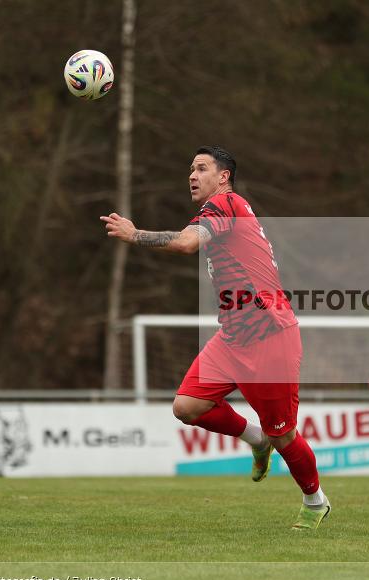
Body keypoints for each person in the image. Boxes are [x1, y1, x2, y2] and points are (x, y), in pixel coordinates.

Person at [100, 146, 330, 530]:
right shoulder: (220, 210)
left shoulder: (226, 203)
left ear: (223, 177)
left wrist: (134, 233)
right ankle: (256, 439)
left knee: (285, 435)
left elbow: (186, 243)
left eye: (202, 168)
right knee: (187, 407)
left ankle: (315, 500)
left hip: (270, 335)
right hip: (233, 336)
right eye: (191, 168)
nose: (192, 175)